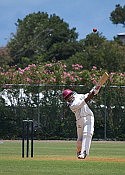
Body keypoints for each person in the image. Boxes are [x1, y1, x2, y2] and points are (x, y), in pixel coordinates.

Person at [62, 85, 101, 159]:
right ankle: (79, 151)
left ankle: (84, 153)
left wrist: (95, 89)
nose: (69, 97)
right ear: (66, 99)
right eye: (67, 97)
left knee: (87, 133)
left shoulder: (78, 96)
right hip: (80, 120)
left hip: (89, 117)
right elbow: (84, 101)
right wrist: (91, 94)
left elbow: (88, 95)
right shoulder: (72, 105)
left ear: (72, 94)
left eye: (70, 95)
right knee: (80, 139)